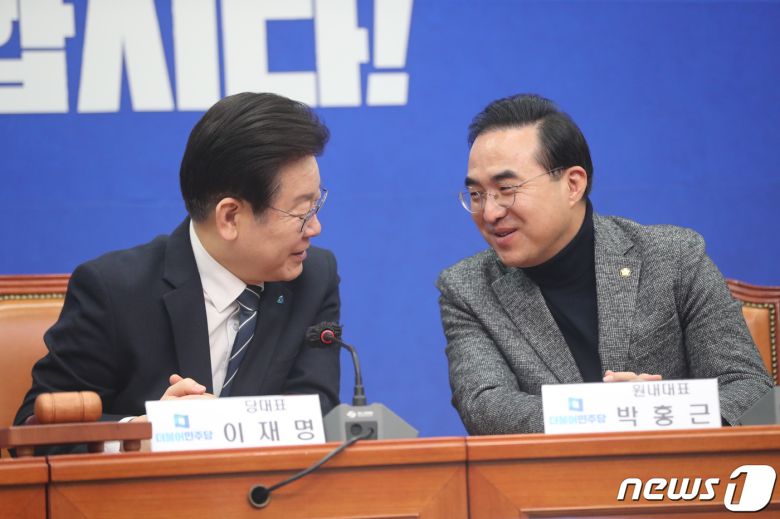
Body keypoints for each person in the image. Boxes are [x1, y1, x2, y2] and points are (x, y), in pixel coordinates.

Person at [437, 93, 772, 435]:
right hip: (557, 470)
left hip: (678, 466)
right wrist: (610, 411)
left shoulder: (674, 257)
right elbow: (485, 407)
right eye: (476, 194)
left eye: (507, 189)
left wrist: (662, 413)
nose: (490, 212)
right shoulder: (467, 288)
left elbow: (749, 390)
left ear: (572, 184)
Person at [15, 92, 341, 441]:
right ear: (230, 217)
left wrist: (212, 426)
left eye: (316, 204)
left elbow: (317, 416)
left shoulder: (312, 278)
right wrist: (143, 433)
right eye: (302, 211)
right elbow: (37, 430)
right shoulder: (114, 291)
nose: (315, 227)